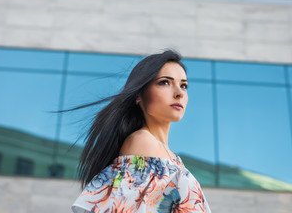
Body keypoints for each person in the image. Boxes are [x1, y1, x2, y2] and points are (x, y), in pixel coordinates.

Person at [67, 50, 211, 212]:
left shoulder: (171, 157)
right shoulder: (142, 141)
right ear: (139, 95)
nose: (179, 93)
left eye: (183, 85)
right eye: (165, 82)